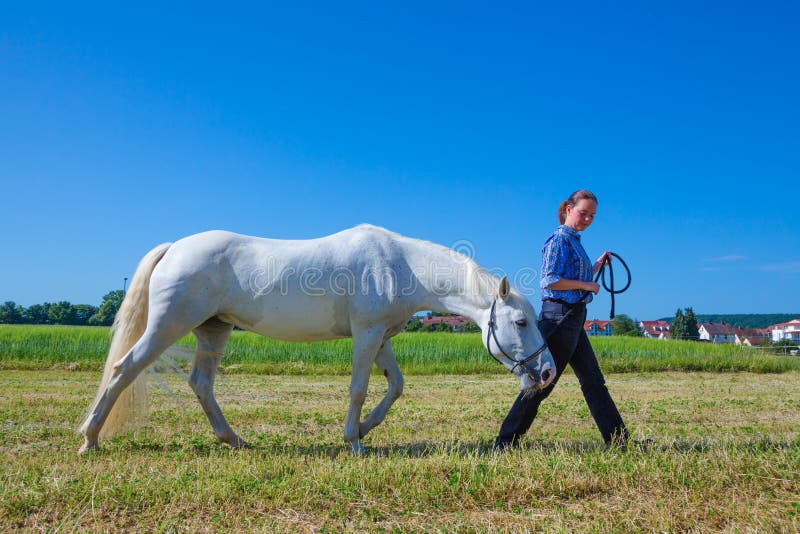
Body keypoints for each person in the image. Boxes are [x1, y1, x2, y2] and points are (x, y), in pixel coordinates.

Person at [494, 189, 628, 450]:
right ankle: (505, 443)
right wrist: (586, 285)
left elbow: (575, 280)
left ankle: (619, 441)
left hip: (574, 318)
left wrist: (597, 267)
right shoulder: (558, 240)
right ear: (568, 209)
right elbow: (550, 280)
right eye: (583, 213)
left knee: (593, 381)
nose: (588, 219)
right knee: (541, 382)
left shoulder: (575, 241)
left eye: (592, 215)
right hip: (559, 318)